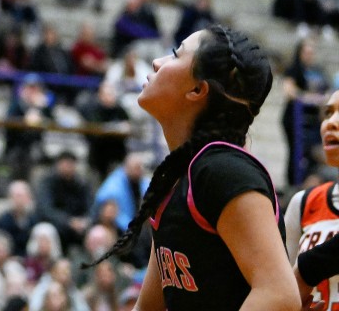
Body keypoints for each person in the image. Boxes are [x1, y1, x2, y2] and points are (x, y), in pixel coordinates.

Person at [87, 26, 297, 311]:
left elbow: (279, 294)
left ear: (197, 89)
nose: (156, 62)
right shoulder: (176, 179)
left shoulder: (223, 171)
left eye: (175, 54)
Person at [284, 88, 339, 308]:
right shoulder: (304, 202)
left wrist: (306, 270)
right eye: (328, 113)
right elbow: (283, 291)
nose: (331, 123)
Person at [282, 35, 329, 186]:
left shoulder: (317, 71)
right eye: (306, 52)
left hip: (312, 121)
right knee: (295, 151)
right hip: (294, 119)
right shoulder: (293, 69)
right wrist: (309, 97)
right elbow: (289, 91)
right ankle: (293, 183)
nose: (309, 56)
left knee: (311, 154)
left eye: (311, 52)